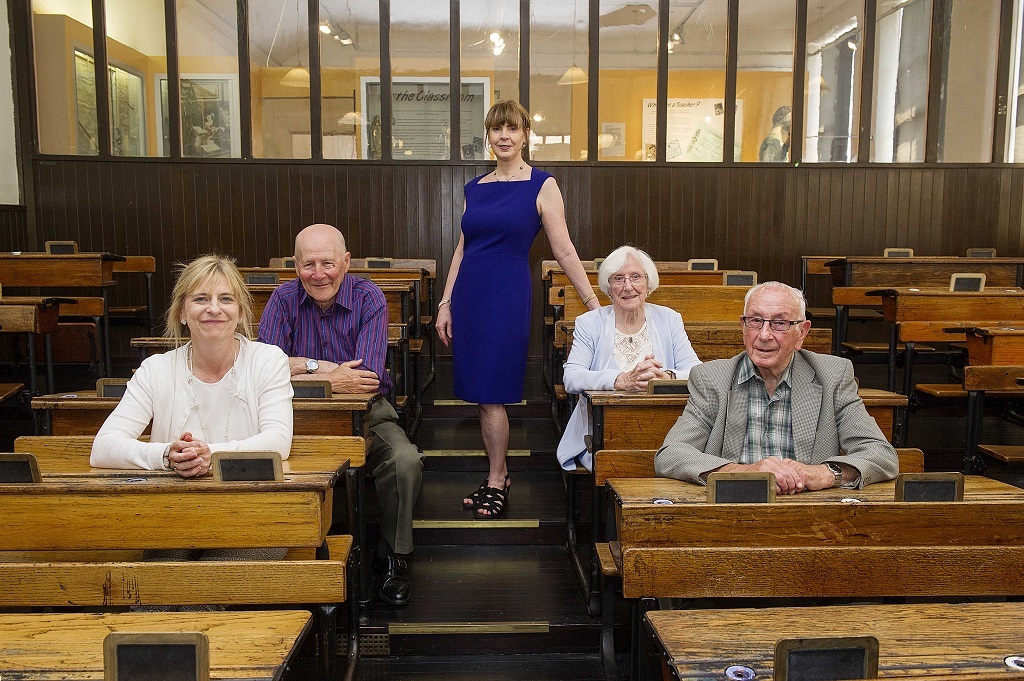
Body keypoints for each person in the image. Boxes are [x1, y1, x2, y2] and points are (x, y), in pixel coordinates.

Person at [436, 99, 600, 520]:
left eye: (512, 129)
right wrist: (446, 301)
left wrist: (594, 302)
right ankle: (500, 471)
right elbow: (461, 249)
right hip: (470, 294)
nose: (503, 136)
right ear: (489, 136)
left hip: (506, 295)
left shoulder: (542, 184)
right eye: (496, 130)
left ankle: (495, 479)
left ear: (526, 134)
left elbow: (563, 249)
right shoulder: (475, 187)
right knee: (480, 393)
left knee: (494, 393)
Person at [258, 223, 423, 607]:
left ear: (346, 262)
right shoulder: (282, 299)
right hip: (295, 416)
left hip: (368, 413)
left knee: (405, 462)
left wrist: (296, 367)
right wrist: (325, 370)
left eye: (328, 263)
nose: (319, 274)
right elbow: (262, 371)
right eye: (308, 264)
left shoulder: (369, 298)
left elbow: (364, 381)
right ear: (295, 265)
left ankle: (395, 556)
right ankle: (294, 557)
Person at [655, 281, 898, 493]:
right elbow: (671, 454)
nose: (764, 335)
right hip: (732, 508)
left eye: (779, 323)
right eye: (755, 321)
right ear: (743, 326)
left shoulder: (832, 376)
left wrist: (823, 474)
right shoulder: (712, 378)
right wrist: (744, 472)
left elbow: (881, 454)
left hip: (810, 515)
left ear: (802, 332)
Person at [92, 254, 293, 475]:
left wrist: (211, 455)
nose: (214, 309)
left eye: (226, 299)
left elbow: (278, 441)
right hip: (172, 501)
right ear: (181, 312)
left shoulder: (268, 361)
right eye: (201, 299)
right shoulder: (155, 370)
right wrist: (167, 455)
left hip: (249, 495)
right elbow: (103, 447)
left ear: (241, 312)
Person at [557, 246, 701, 471]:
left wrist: (667, 377)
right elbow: (572, 378)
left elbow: (697, 372)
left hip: (667, 432)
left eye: (635, 277)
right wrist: (620, 380)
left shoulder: (669, 319)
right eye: (618, 279)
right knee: (621, 465)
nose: (628, 287)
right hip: (602, 437)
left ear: (648, 283)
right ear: (608, 287)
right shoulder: (590, 322)